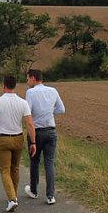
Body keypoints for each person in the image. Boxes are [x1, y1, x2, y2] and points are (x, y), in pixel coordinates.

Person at [0, 75, 36, 212]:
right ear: (15, 86)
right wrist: (33, 142)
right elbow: (30, 124)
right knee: (15, 168)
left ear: (3, 85)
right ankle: (13, 194)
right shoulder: (23, 102)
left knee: (4, 170)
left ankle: (12, 198)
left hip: (3, 138)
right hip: (18, 137)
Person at [24, 69, 66, 205]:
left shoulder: (30, 92)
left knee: (34, 162)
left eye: (28, 79)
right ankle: (50, 195)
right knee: (49, 163)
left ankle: (34, 191)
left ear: (33, 78)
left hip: (36, 131)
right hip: (51, 130)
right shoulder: (53, 91)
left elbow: (27, 112)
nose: (27, 81)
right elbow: (61, 109)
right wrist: (49, 112)